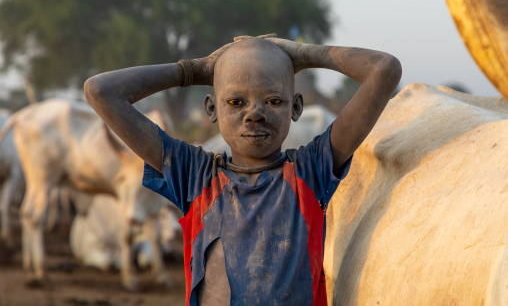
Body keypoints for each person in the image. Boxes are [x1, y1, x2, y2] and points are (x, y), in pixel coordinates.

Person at [84, 33, 401, 306]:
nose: (255, 115)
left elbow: (384, 70)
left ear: (296, 108)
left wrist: (301, 53)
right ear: (212, 108)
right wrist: (195, 69)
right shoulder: (194, 177)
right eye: (236, 102)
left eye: (273, 101)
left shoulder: (311, 170)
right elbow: (100, 91)